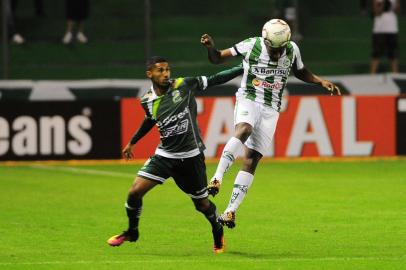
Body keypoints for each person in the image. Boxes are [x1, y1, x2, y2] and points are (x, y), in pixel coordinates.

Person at [200, 19, 341, 228]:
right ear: (265, 40)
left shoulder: (292, 49)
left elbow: (300, 71)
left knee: (252, 159)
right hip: (249, 98)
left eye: (280, 49)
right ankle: (217, 177)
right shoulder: (251, 44)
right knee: (244, 129)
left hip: (272, 109)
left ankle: (230, 211)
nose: (277, 54)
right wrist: (212, 48)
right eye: (273, 49)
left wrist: (320, 81)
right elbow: (218, 58)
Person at [107, 56, 243, 253]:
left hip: (191, 158)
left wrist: (242, 67)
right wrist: (133, 141)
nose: (165, 74)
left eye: (167, 69)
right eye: (160, 70)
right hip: (165, 156)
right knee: (135, 191)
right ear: (150, 74)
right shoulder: (147, 101)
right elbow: (150, 119)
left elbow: (215, 79)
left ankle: (217, 227)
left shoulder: (183, 85)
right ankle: (132, 232)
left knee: (202, 205)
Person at [370, 0, 400, 73]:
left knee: (393, 55)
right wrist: (383, 4)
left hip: (392, 29)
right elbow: (376, 13)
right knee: (376, 54)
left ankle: (395, 74)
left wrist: (396, 4)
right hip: (379, 30)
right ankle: (372, 76)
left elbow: (397, 11)